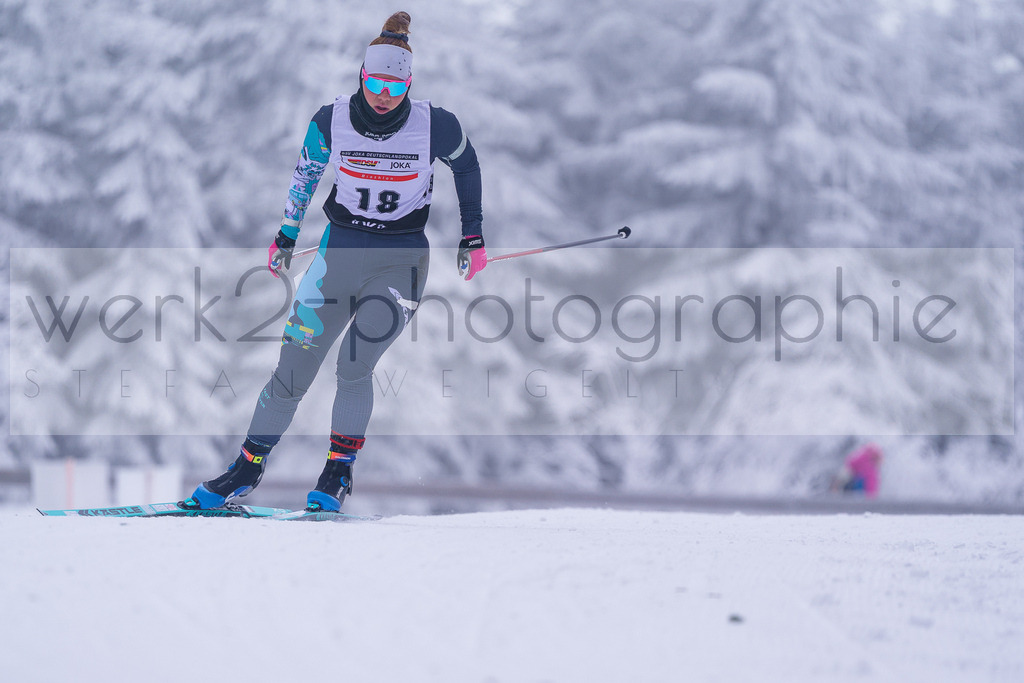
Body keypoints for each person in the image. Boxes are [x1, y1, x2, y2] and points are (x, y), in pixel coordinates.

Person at [183, 12, 486, 512]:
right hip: (336, 255)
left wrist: (472, 235)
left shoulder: (436, 124)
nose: (383, 94)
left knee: (353, 364)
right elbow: (305, 175)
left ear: (408, 84)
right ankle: (245, 468)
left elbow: (467, 166)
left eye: (395, 85)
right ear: (361, 76)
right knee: (292, 368)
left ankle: (337, 472)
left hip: (401, 263)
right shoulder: (331, 119)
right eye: (375, 82)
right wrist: (285, 234)